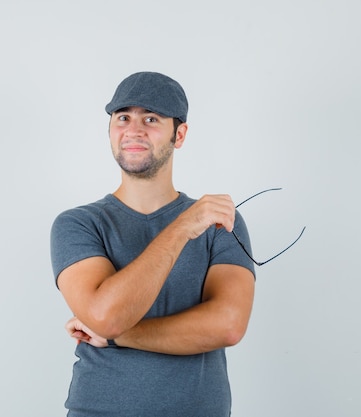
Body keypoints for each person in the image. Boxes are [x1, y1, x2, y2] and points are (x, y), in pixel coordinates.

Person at [50, 71, 256, 417]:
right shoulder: (79, 224)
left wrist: (116, 337)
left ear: (180, 134)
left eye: (151, 118)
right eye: (123, 118)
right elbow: (106, 315)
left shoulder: (218, 220)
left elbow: (229, 324)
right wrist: (182, 227)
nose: (134, 130)